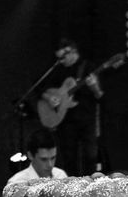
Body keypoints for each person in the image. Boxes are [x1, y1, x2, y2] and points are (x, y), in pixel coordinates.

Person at [37, 38, 103, 176]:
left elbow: (99, 95)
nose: (61, 60)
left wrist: (94, 86)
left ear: (72, 51)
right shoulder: (58, 70)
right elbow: (40, 89)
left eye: (63, 57)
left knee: (90, 155)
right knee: (68, 157)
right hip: (65, 120)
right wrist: (49, 98)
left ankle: (90, 187)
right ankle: (71, 188)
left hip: (86, 118)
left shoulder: (88, 67)